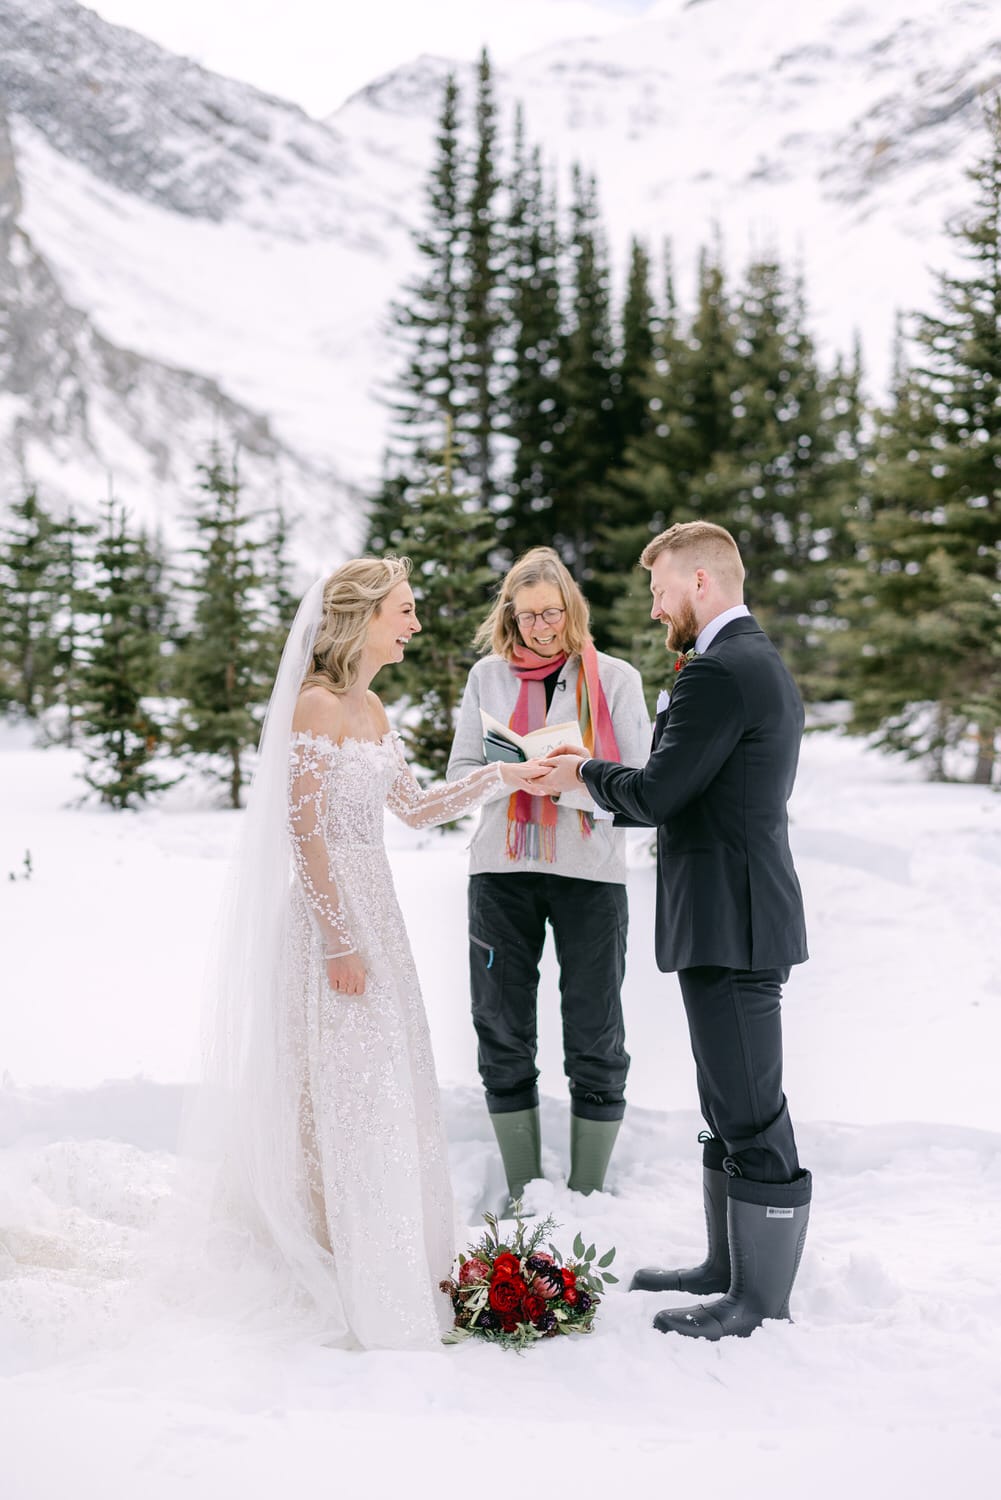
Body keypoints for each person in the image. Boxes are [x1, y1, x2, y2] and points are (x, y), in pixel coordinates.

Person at [198, 556, 547, 1352]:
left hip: (377, 911)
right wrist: (337, 942)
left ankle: (390, 1256)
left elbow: (415, 809)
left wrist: (505, 773)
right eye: (405, 610)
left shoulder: (372, 706)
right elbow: (304, 830)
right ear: (362, 617)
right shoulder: (315, 707)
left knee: (384, 1081)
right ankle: (340, 1257)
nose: (415, 624)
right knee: (349, 1085)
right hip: (335, 924)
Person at [535, 521, 812, 1340]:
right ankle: (726, 1266)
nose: (655, 609)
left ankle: (755, 1300)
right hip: (733, 913)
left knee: (750, 1107)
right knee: (727, 1096)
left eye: (659, 592)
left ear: (699, 583)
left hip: (735, 919)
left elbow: (658, 793)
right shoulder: (745, 662)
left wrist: (578, 772)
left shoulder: (720, 672)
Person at [446, 547, 651, 1207]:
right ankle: (521, 1186)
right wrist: (507, 774)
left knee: (595, 1026)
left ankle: (586, 1190)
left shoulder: (614, 677)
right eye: (528, 614)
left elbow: (641, 785)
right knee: (500, 1023)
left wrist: (572, 780)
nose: (540, 627)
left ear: (571, 610)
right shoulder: (488, 677)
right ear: (510, 613)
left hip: (588, 869)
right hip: (500, 869)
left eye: (552, 613)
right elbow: (457, 778)